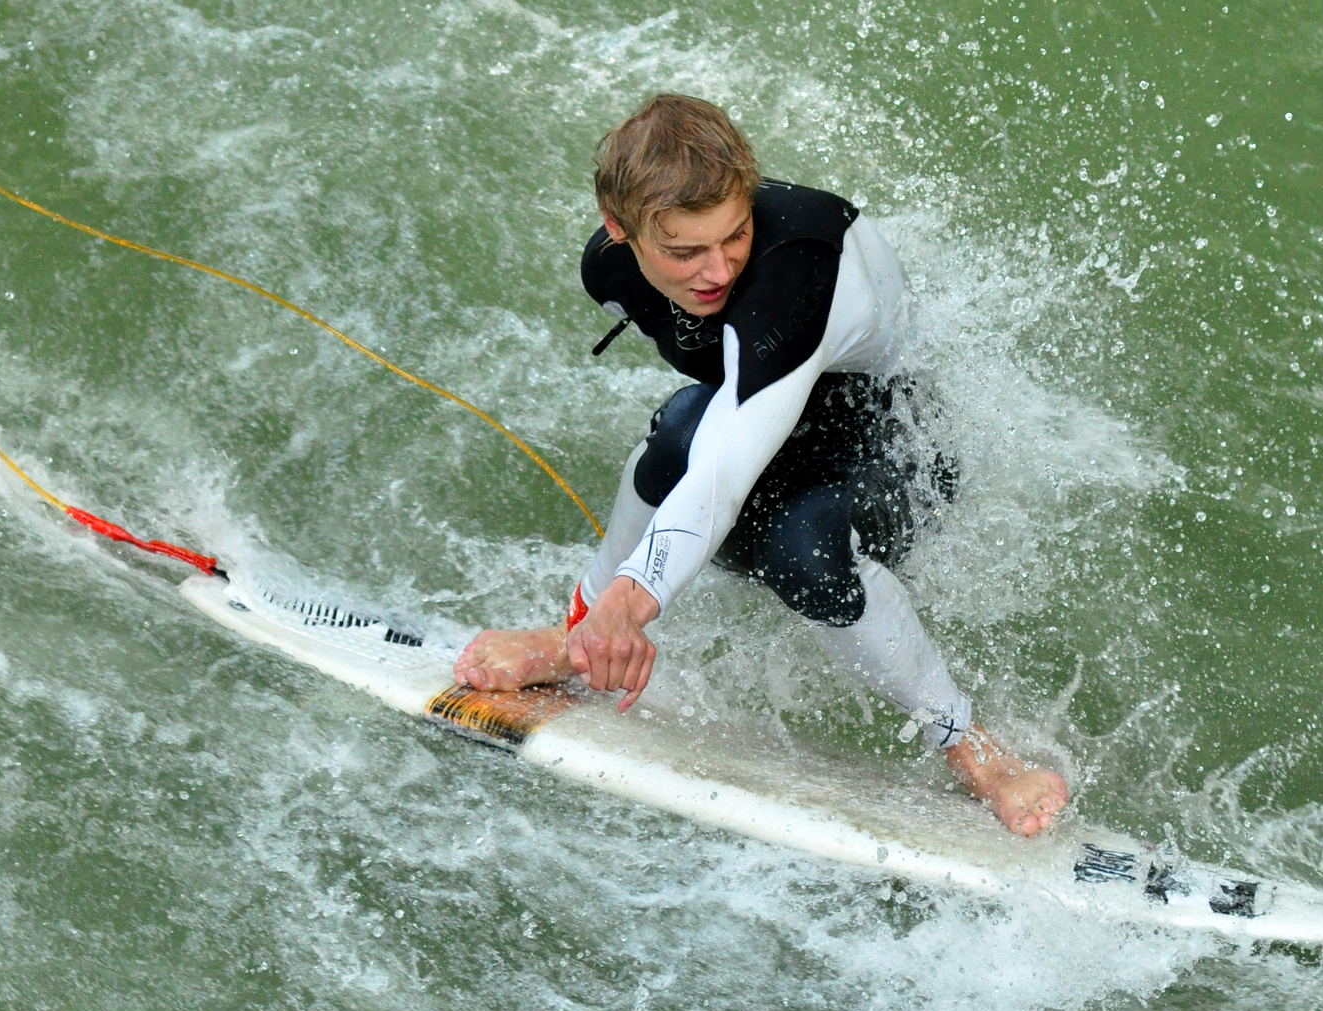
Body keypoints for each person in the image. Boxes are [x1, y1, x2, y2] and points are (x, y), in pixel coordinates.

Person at [454, 95, 1066, 836]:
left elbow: (724, 477)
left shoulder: (791, 273)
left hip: (900, 442)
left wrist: (633, 599)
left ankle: (972, 749)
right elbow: (718, 429)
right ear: (621, 232)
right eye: (684, 253)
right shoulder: (608, 271)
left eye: (734, 235)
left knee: (798, 546)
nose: (716, 270)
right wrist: (614, 606)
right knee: (676, 436)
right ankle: (572, 640)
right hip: (788, 414)